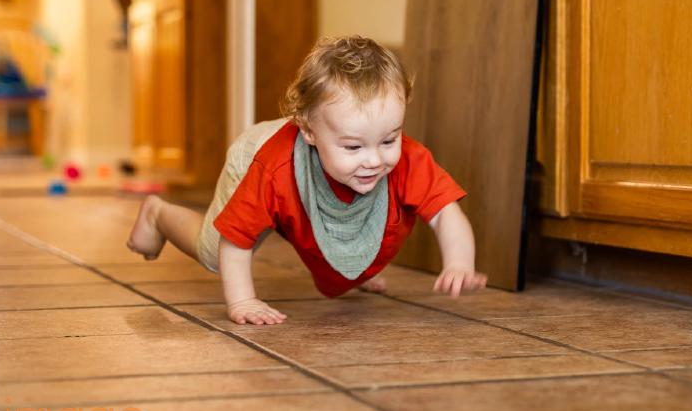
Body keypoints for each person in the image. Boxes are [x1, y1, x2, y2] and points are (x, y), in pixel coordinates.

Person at [127, 36, 486, 325]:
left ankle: (355, 269)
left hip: (301, 169)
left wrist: (459, 262)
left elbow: (445, 213)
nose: (375, 159)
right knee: (214, 252)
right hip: (256, 156)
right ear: (309, 131)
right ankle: (157, 213)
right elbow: (235, 242)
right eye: (353, 146)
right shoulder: (272, 168)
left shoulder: (405, 159)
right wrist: (243, 300)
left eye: (389, 139)